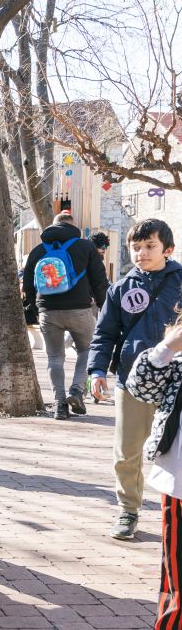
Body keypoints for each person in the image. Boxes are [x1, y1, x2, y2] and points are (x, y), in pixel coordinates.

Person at [89, 218, 182, 539]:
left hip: (176, 381)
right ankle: (128, 509)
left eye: (150, 246)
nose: (142, 253)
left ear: (167, 249)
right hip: (133, 381)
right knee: (127, 450)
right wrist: (97, 371)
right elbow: (104, 335)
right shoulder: (120, 289)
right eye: (136, 247)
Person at [22, 211, 109, 420]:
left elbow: (28, 286)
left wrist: (36, 310)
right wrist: (104, 307)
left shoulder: (38, 250)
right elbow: (99, 280)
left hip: (48, 311)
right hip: (80, 309)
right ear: (72, 226)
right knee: (87, 350)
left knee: (54, 357)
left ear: (52, 226)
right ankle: (77, 391)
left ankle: (59, 404)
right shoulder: (85, 247)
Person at [125, 316, 182, 630]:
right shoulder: (177, 355)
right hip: (179, 479)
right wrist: (167, 348)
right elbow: (139, 387)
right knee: (178, 575)